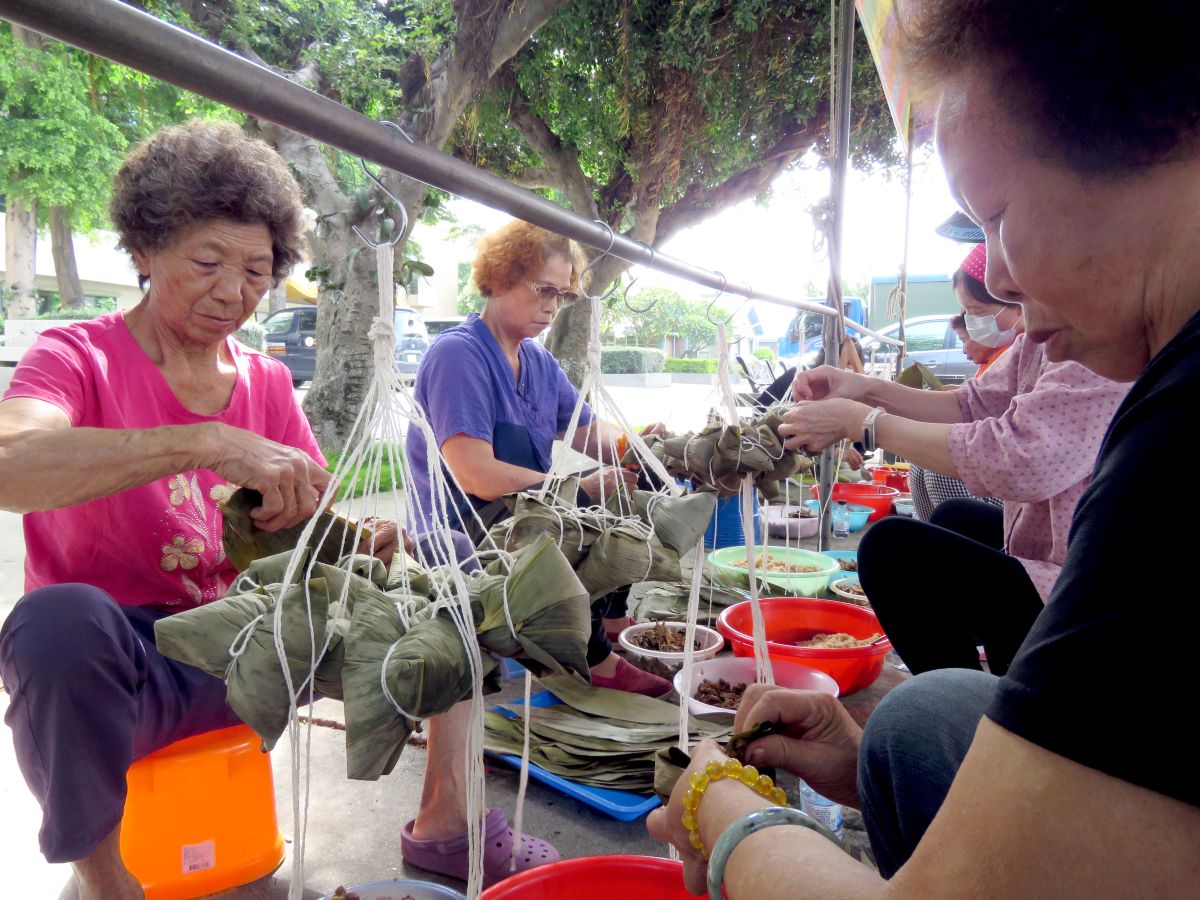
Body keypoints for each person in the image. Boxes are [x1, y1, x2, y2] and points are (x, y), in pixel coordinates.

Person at [648, 2, 1200, 895]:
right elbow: (974, 402)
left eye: (1000, 214)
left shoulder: (1179, 452)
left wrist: (730, 814)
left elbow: (1009, 446)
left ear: (1140, 146)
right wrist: (858, 761)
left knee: (910, 579)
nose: (1001, 275)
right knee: (917, 721)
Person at [0, 122, 553, 898]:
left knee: (449, 600)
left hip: (254, 652)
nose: (233, 291)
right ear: (144, 251)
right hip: (122, 674)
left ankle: (444, 829)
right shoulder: (76, 358)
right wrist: (203, 443)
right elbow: (10, 466)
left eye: (256, 270)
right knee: (52, 623)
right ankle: (106, 881)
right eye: (207, 262)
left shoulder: (265, 383)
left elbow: (313, 528)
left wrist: (363, 544)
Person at [778, 238, 1126, 676]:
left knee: (891, 548)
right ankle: (980, 673)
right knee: (954, 517)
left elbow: (1017, 461)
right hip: (1046, 544)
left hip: (1085, 593)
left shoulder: (1102, 346)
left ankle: (960, 702)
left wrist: (862, 423)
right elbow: (970, 404)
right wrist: (861, 387)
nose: (1021, 328)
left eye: (1014, 300)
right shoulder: (1041, 337)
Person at [406, 219, 672, 697]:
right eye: (544, 289)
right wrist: (575, 491)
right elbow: (477, 474)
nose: (552, 305)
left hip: (523, 512)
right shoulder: (458, 356)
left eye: (563, 295)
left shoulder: (539, 362)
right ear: (501, 276)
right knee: (587, 507)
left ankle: (608, 621)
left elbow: (590, 432)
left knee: (631, 485)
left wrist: (640, 446)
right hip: (466, 528)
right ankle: (589, 657)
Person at [906, 247, 1019, 523]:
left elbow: (1005, 445)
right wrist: (867, 396)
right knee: (923, 461)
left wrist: (869, 422)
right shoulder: (1016, 353)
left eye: (977, 311)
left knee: (941, 468)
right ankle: (933, 541)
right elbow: (967, 404)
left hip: (1020, 495)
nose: (972, 324)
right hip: (1006, 481)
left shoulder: (1029, 352)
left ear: (1018, 301)